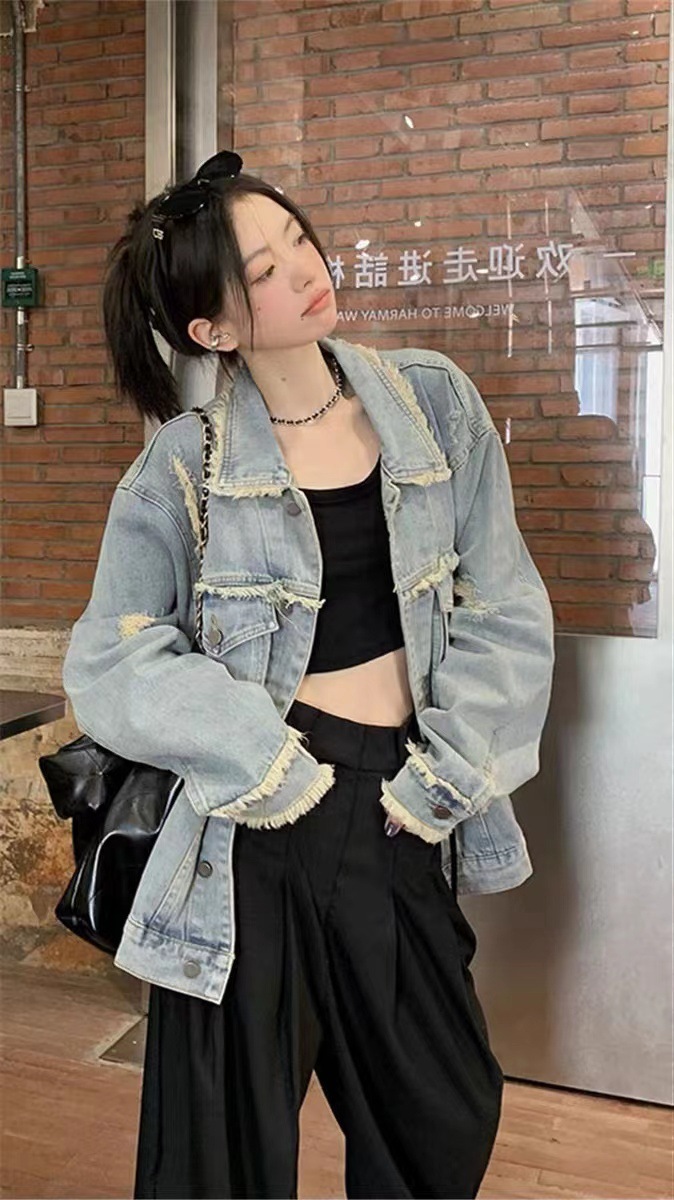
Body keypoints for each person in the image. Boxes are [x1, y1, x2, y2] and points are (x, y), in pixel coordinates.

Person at [62, 150, 555, 1200]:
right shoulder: (182, 466)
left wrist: (452, 765)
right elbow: (112, 653)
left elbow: (505, 604)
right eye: (262, 268)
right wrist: (256, 755)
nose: (303, 267)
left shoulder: (432, 402)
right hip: (255, 817)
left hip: (400, 796)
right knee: (219, 1151)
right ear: (214, 329)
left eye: (296, 237)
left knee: (441, 1111)